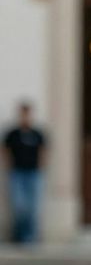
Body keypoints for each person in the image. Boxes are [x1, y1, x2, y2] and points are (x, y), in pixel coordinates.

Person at [3, 101, 45, 244]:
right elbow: (5, 150)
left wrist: (41, 166)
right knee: (19, 205)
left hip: (33, 173)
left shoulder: (37, 134)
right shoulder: (13, 134)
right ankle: (19, 235)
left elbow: (43, 151)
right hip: (17, 173)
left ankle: (30, 237)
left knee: (32, 207)